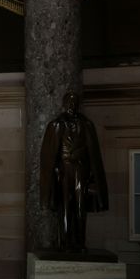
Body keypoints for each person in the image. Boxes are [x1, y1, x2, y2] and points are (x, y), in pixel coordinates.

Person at [40, 91, 108, 252]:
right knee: (64, 205)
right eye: (69, 102)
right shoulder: (56, 124)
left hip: (81, 169)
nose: (72, 105)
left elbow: (93, 153)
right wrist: (56, 170)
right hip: (64, 169)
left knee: (79, 205)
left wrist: (91, 176)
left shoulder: (86, 125)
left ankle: (79, 242)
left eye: (74, 102)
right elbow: (48, 154)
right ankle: (63, 241)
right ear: (64, 104)